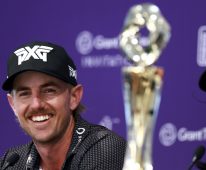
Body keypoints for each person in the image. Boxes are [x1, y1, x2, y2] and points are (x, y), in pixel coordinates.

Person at [0, 41, 127, 170]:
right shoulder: (12, 163)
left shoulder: (104, 150)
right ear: (12, 104)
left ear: (74, 97)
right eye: (25, 93)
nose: (36, 104)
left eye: (49, 90)